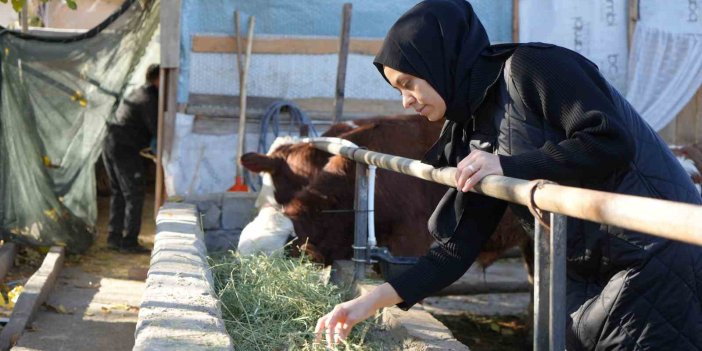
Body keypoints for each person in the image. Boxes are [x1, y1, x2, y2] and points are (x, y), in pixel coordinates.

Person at [314, 1, 702, 349]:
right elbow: (456, 248)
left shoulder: (533, 67)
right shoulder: (476, 126)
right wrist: (367, 302)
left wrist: (510, 166)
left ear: (440, 61)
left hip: (655, 257)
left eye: (408, 83)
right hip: (589, 272)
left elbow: (610, 140)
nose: (405, 100)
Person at [102, 64, 159, 253]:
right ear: (157, 79)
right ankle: (129, 242)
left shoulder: (138, 93)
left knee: (119, 192)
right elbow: (157, 129)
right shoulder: (149, 99)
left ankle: (114, 237)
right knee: (134, 193)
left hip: (110, 143)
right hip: (124, 147)